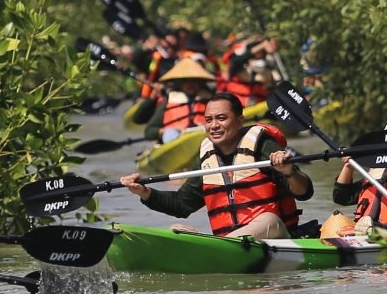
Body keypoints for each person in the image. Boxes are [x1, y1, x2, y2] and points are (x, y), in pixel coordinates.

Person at [121, 92, 315, 239]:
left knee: (268, 219)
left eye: (221, 118)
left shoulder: (262, 146)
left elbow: (304, 192)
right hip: (231, 242)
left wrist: (289, 172)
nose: (214, 125)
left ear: (239, 121)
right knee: (175, 230)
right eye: (208, 120)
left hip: (275, 237)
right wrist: (144, 192)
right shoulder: (207, 156)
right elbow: (181, 205)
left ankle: (224, 247)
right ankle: (222, 248)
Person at [143, 58, 215, 143]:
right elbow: (149, 131)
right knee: (170, 134)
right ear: (178, 83)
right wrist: (164, 131)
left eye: (194, 80)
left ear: (200, 82)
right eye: (185, 80)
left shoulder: (211, 100)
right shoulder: (169, 101)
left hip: (203, 137)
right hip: (176, 139)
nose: (190, 84)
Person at [220, 37, 280, 106]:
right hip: (243, 107)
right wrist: (261, 46)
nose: (260, 53)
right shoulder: (239, 66)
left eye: (262, 51)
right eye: (259, 51)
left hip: (264, 105)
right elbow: (235, 62)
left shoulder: (267, 68)